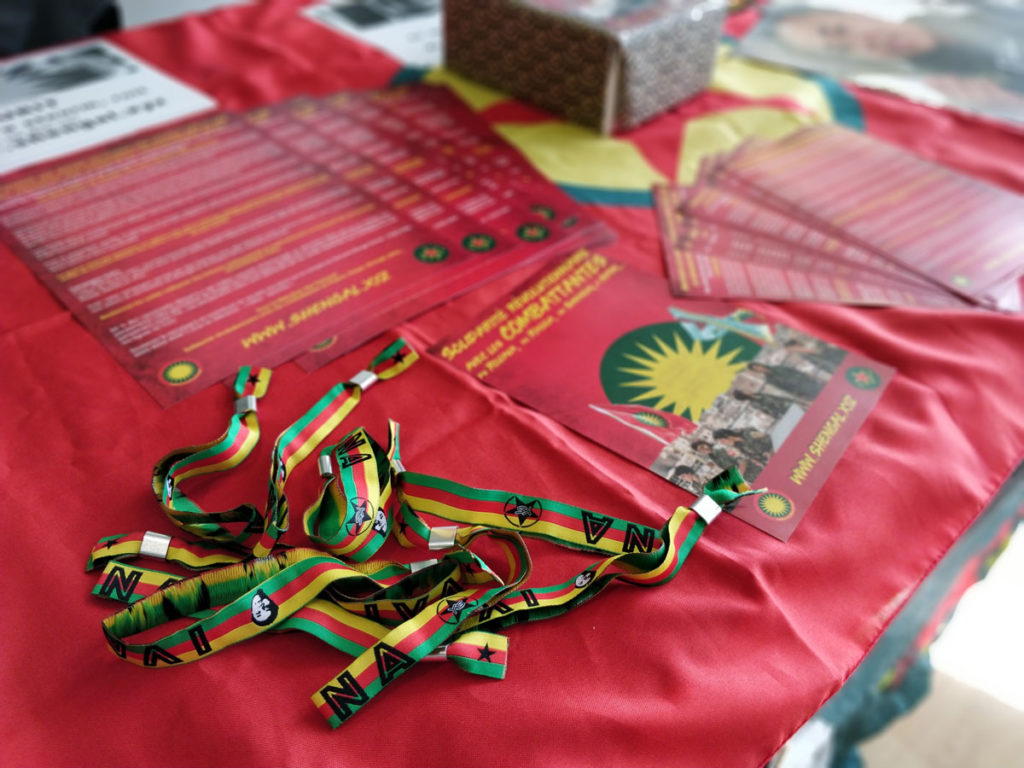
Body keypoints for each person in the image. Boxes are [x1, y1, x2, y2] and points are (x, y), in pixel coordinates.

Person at [747, 361, 825, 401]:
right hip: (802, 391)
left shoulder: (778, 367)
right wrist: (800, 397)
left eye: (758, 366)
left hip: (808, 381)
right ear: (757, 372)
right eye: (756, 369)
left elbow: (795, 371)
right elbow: (784, 389)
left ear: (760, 365)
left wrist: (815, 378)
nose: (759, 369)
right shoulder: (769, 380)